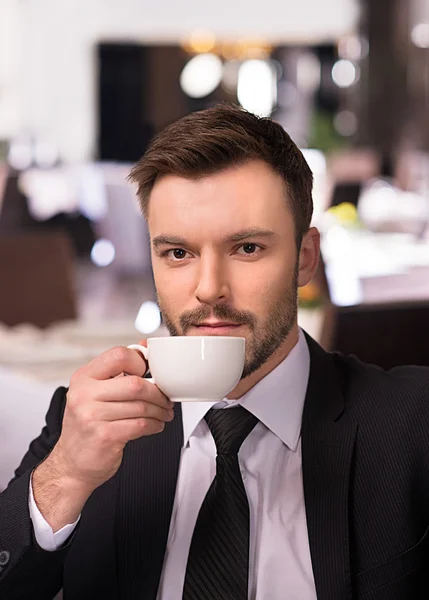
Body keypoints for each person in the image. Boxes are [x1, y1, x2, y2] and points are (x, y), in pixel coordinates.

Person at [1, 104, 428, 600]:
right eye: (178, 253)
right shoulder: (86, 425)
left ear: (305, 258)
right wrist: (65, 476)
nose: (208, 289)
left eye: (246, 248)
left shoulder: (411, 424)